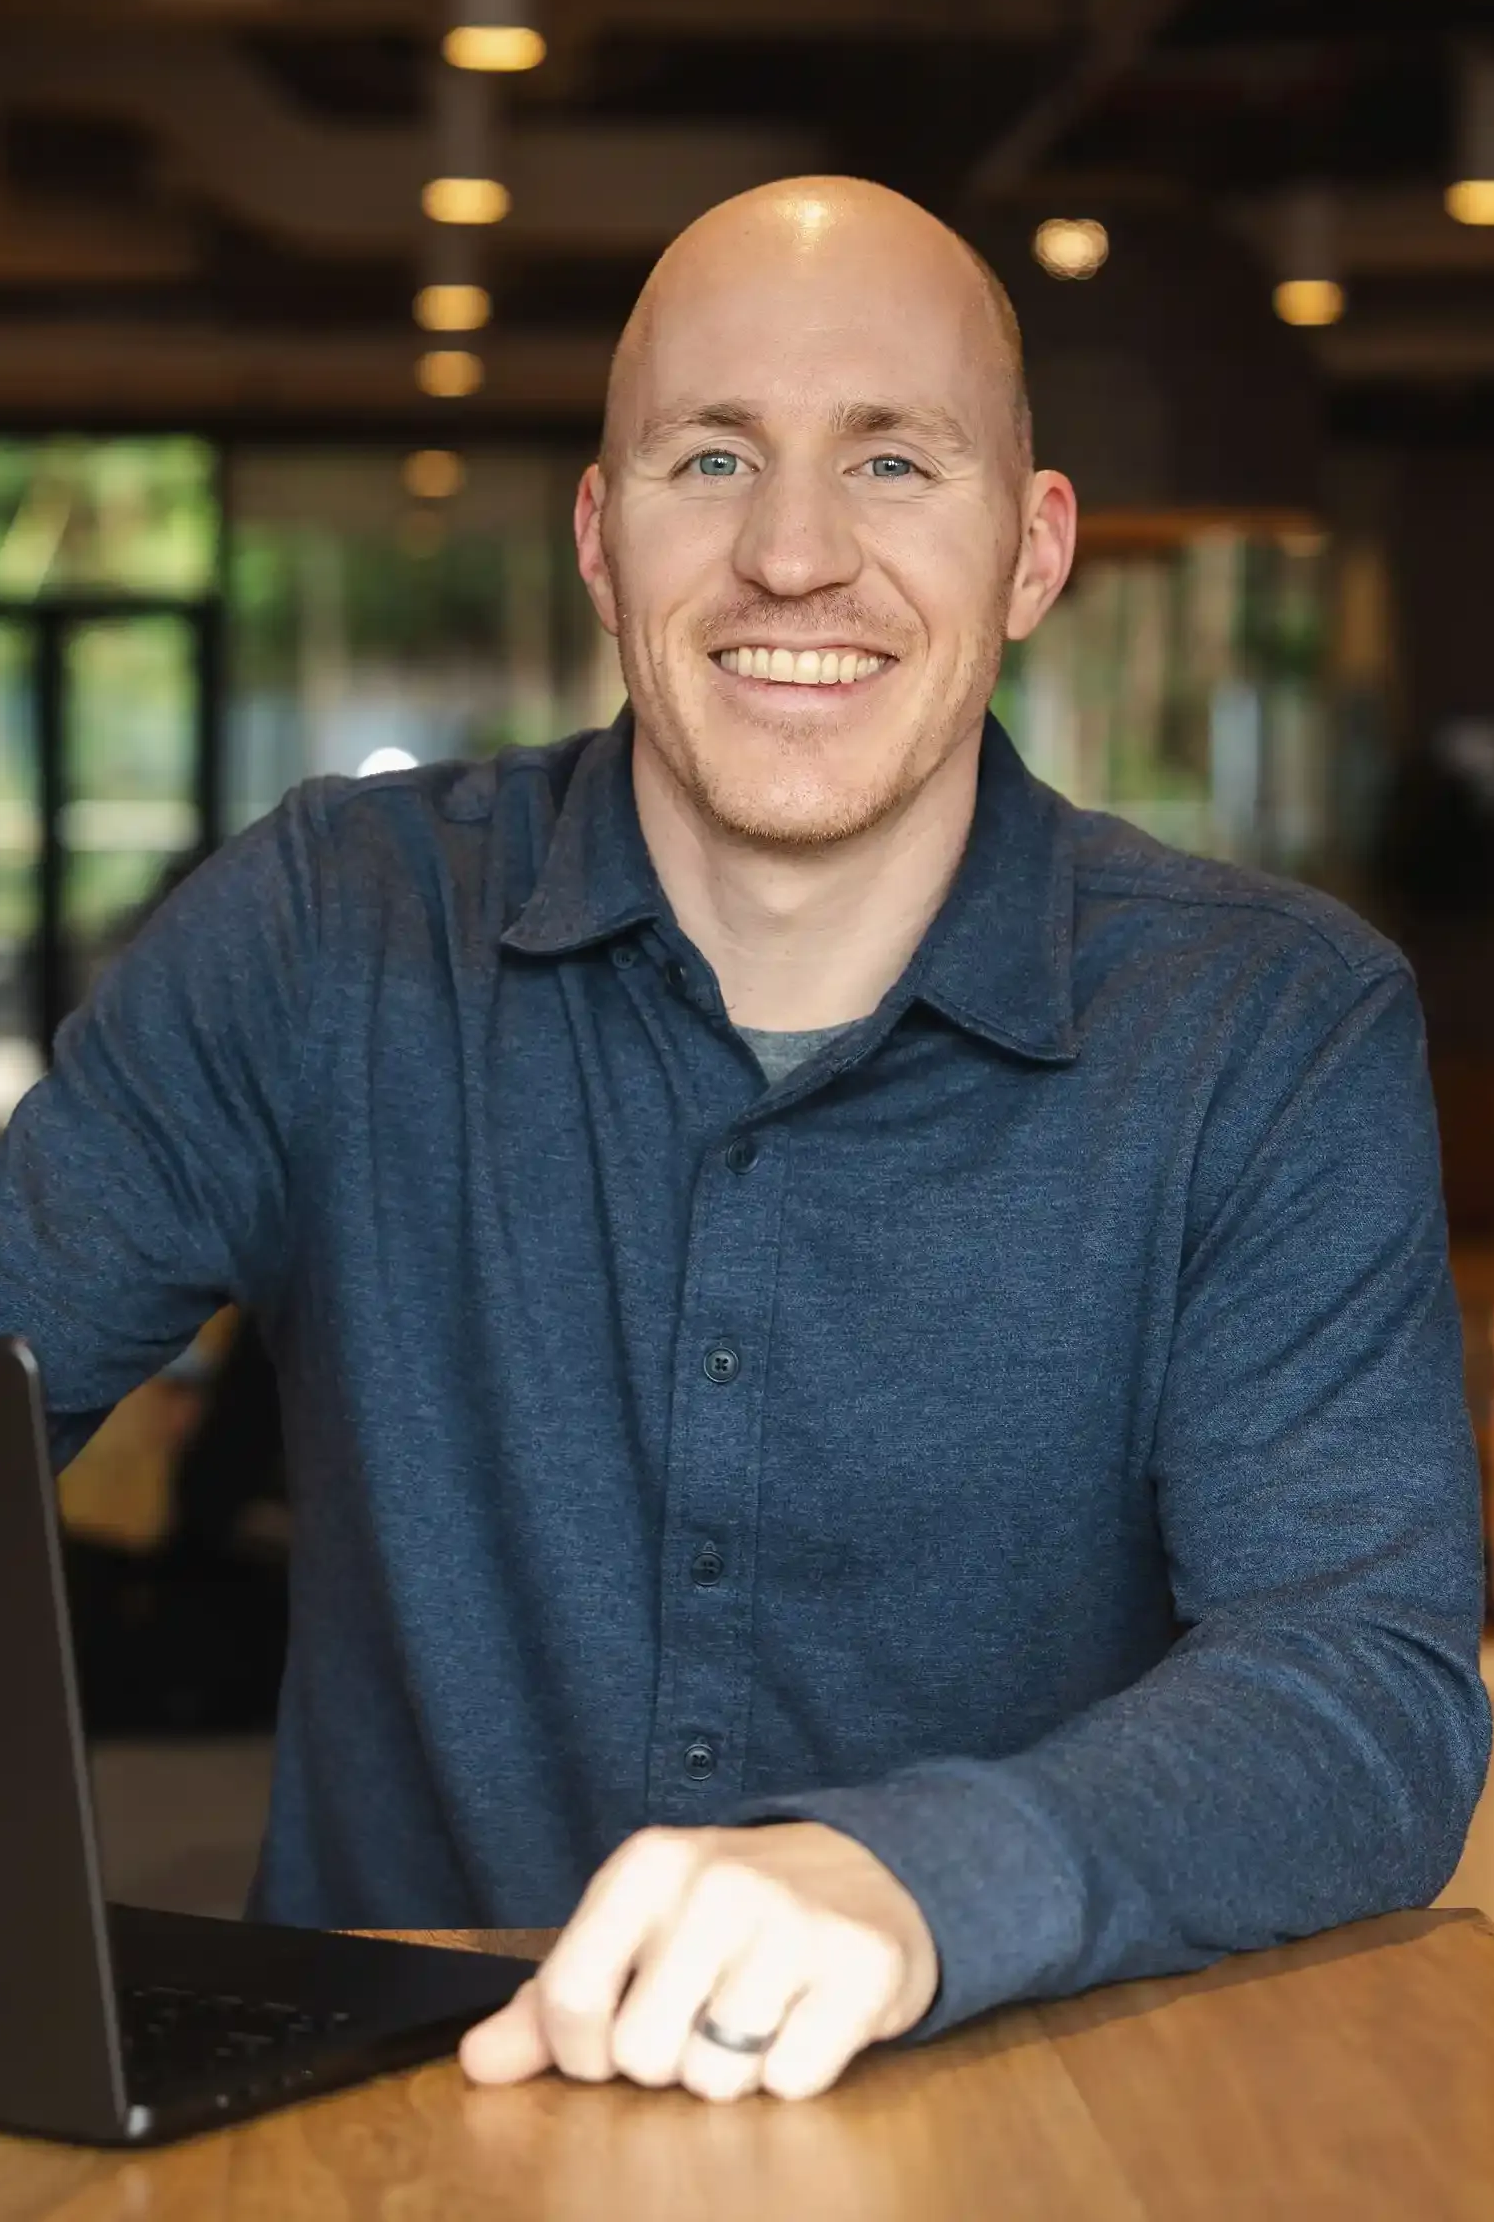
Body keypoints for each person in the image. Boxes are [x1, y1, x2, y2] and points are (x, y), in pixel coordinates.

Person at [0, 178, 1484, 2108]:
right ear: (603, 543)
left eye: (891, 461)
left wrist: (914, 1882)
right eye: (713, 457)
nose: (796, 555)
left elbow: (1363, 1691)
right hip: (388, 2125)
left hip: (1024, 2115)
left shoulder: (1267, 1028)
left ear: (1032, 552)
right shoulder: (324, 932)